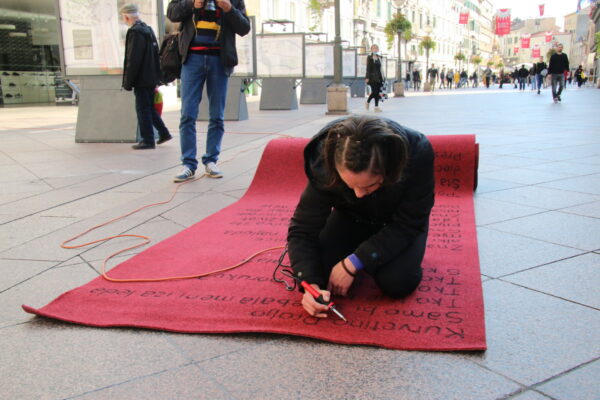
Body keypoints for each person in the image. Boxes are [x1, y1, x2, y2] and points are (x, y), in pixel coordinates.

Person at [287, 115, 435, 319]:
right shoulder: (324, 159)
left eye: (370, 185)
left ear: (390, 170)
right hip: (351, 217)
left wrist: (354, 262)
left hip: (399, 223)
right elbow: (303, 228)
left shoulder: (417, 152)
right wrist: (309, 285)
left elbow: (409, 222)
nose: (358, 194)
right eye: (349, 185)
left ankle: (374, 256)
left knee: (397, 282)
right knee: (316, 269)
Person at [167, 0, 250, 182]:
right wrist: (193, 5)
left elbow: (244, 27)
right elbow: (172, 13)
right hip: (192, 59)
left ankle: (211, 161)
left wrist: (229, 9)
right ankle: (188, 164)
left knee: (217, 115)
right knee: (187, 114)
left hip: (219, 61)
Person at [120, 4, 172, 150]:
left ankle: (148, 140)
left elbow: (133, 59)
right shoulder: (148, 29)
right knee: (149, 108)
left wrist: (128, 82)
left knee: (142, 109)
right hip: (151, 76)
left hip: (142, 78)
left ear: (126, 16)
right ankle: (163, 132)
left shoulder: (135, 32)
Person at [365, 44, 385, 112]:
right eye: (373, 48)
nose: (375, 50)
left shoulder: (379, 57)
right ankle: (367, 102)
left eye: (376, 48)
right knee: (374, 92)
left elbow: (381, 68)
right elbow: (368, 68)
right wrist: (367, 77)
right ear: (371, 49)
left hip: (379, 77)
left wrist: (383, 77)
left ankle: (376, 107)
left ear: (378, 49)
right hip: (372, 77)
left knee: (377, 93)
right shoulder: (369, 58)